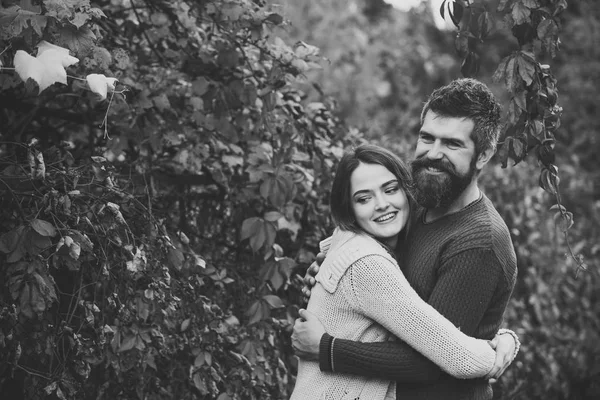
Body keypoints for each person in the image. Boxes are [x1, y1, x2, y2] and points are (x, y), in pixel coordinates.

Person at [294, 78, 519, 400]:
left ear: (483, 155)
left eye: (452, 144)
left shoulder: (478, 242)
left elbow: (434, 360)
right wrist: (327, 269)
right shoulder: (413, 204)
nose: (433, 154)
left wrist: (328, 348)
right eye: (427, 138)